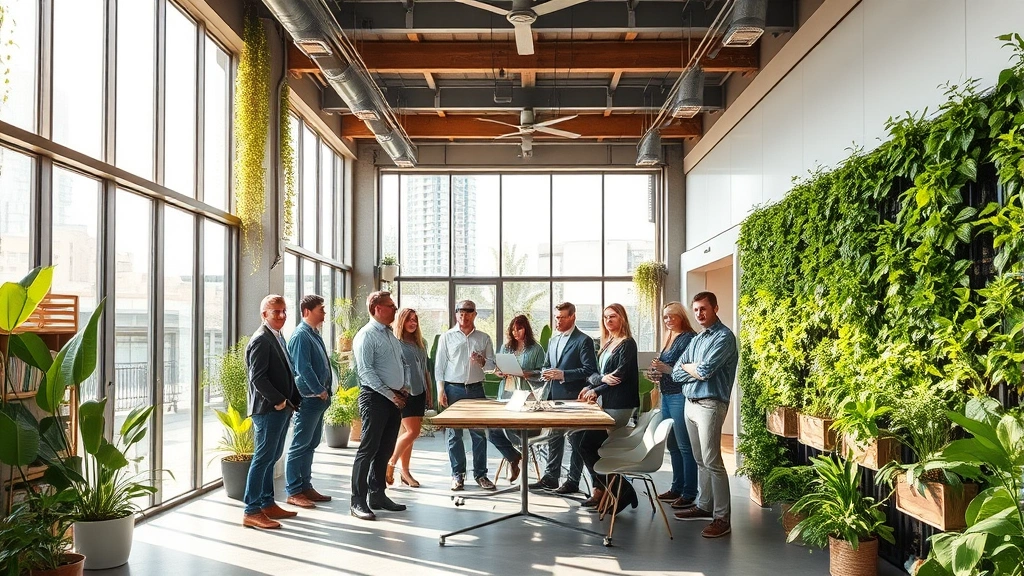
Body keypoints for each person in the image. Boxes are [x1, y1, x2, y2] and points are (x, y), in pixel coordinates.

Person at [671, 291, 739, 539]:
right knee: (700, 459)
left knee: (713, 461)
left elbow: (708, 370)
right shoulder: (697, 339)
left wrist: (692, 369)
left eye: (704, 309)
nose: (699, 313)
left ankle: (722, 518)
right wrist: (693, 370)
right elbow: (676, 372)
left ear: (715, 308)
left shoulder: (725, 338)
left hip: (710, 404)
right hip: (690, 403)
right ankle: (704, 505)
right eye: (696, 309)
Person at [242, 295, 303, 530]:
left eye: (284, 311)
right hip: (268, 410)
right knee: (263, 459)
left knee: (271, 457)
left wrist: (293, 401)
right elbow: (257, 378)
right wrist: (278, 401)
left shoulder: (277, 336)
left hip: (281, 409)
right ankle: (251, 510)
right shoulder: (261, 339)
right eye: (275, 311)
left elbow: (287, 372)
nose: (281, 315)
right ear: (263, 314)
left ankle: (267, 504)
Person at [574, 303, 640, 514]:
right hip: (605, 404)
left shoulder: (627, 344)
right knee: (583, 442)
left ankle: (623, 489)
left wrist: (597, 389)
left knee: (586, 445)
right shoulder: (608, 342)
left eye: (613, 316)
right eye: (605, 317)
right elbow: (593, 374)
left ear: (622, 318)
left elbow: (619, 377)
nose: (608, 320)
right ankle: (602, 490)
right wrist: (593, 384)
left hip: (619, 405)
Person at [350, 291, 410, 521]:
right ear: (377, 308)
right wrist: (390, 394)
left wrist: (402, 388)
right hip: (375, 398)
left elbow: (398, 365)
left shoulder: (389, 334)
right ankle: (357, 501)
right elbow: (366, 371)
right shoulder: (365, 336)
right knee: (368, 449)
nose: (395, 310)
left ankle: (378, 495)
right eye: (391, 306)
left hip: (393, 398)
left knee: (385, 449)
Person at [530, 301, 597, 494]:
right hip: (552, 397)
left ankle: (573, 481)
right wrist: (545, 373)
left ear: (572, 317)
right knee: (554, 437)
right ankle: (551, 478)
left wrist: (563, 374)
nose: (557, 321)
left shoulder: (584, 340)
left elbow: (590, 370)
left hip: (574, 398)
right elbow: (545, 365)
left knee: (576, 441)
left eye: (561, 317)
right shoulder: (553, 340)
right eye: (556, 317)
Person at [434, 299, 497, 492]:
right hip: (454, 389)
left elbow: (492, 366)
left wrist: (482, 361)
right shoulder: (447, 337)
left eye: (469, 312)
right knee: (454, 434)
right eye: (460, 312)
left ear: (475, 314)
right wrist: (440, 390)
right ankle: (457, 474)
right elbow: (440, 366)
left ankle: (481, 474)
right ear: (456, 314)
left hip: (476, 389)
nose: (464, 316)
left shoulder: (484, 337)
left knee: (479, 434)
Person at [284, 294, 334, 509]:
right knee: (300, 445)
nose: (324, 313)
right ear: (307, 311)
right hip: (309, 398)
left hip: (319, 399)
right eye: (321, 309)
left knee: (311, 444)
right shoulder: (300, 336)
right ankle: (294, 491)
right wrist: (319, 390)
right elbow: (303, 369)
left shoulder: (313, 333)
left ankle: (306, 486)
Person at [647, 301, 699, 510]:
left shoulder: (689, 338)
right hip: (666, 394)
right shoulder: (669, 337)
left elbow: (687, 370)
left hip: (679, 395)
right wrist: (655, 373)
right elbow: (666, 368)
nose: (668, 320)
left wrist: (665, 368)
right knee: (673, 445)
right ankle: (676, 488)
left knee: (685, 446)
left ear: (681, 317)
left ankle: (689, 492)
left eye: (672, 316)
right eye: (665, 317)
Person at [487, 315, 546, 483]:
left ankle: (515, 457)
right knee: (492, 429)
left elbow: (542, 372)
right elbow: (498, 369)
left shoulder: (536, 349)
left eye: (519, 329)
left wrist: (525, 373)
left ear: (526, 329)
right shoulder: (506, 347)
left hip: (526, 394)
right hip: (506, 392)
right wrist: (499, 372)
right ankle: (513, 456)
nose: (515, 333)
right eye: (513, 329)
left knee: (519, 428)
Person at [386, 308, 432, 488]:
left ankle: (405, 473)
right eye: (408, 320)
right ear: (401, 321)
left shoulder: (421, 343)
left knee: (409, 434)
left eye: (415, 320)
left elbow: (425, 369)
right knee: (413, 432)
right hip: (405, 392)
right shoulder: (395, 343)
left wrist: (429, 391)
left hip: (420, 391)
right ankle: (390, 464)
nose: (413, 323)